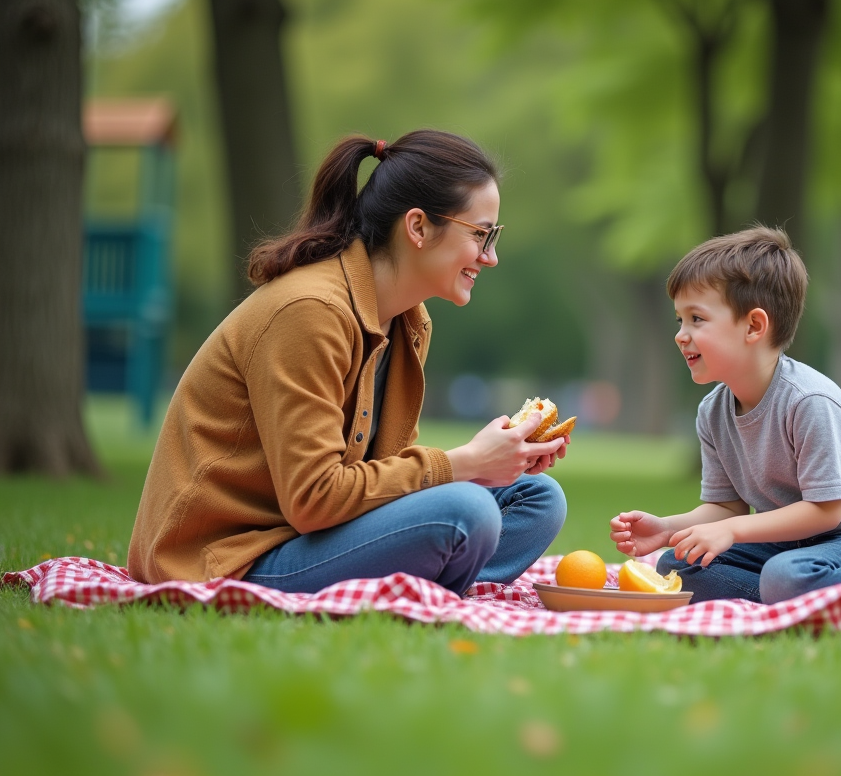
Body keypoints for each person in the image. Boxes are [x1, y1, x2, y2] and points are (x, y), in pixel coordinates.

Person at [128, 130, 569, 594]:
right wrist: (463, 462)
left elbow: (382, 476)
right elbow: (314, 498)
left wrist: (491, 463)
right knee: (468, 512)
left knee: (536, 499)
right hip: (230, 557)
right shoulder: (309, 312)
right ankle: (432, 582)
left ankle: (427, 580)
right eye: (481, 234)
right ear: (418, 227)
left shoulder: (409, 322)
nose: (491, 257)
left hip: (313, 537)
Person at [609, 225, 841, 603]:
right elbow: (726, 509)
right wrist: (666, 529)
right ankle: (791, 595)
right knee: (678, 564)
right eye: (680, 320)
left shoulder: (809, 401)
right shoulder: (712, 412)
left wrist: (735, 531)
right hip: (795, 543)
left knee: (786, 574)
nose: (681, 334)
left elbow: (825, 511)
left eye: (697, 318)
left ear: (754, 326)